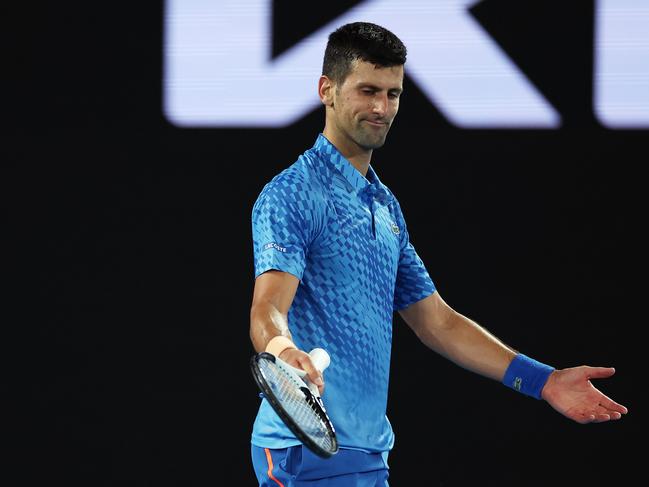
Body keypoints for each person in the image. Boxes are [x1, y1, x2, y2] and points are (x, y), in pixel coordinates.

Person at [248, 21, 628, 486]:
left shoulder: (386, 207)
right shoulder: (291, 194)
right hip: (305, 450)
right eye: (367, 90)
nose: (381, 107)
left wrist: (543, 381)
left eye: (393, 94)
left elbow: (437, 322)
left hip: (368, 452)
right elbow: (267, 309)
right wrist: (285, 352)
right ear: (327, 89)